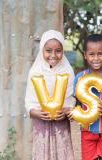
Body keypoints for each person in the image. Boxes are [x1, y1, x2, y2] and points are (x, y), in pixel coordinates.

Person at [68, 34, 102, 160]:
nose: (96, 58)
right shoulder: (80, 78)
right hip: (87, 130)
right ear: (85, 55)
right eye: (92, 54)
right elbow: (77, 103)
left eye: (100, 54)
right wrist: (74, 113)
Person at [25, 30, 75, 160]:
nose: (53, 55)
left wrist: (66, 110)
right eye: (48, 50)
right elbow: (29, 99)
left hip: (60, 122)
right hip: (41, 122)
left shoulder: (67, 70)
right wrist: (35, 112)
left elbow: (71, 96)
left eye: (58, 50)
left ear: (63, 51)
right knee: (42, 154)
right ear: (42, 50)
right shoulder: (35, 71)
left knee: (62, 151)